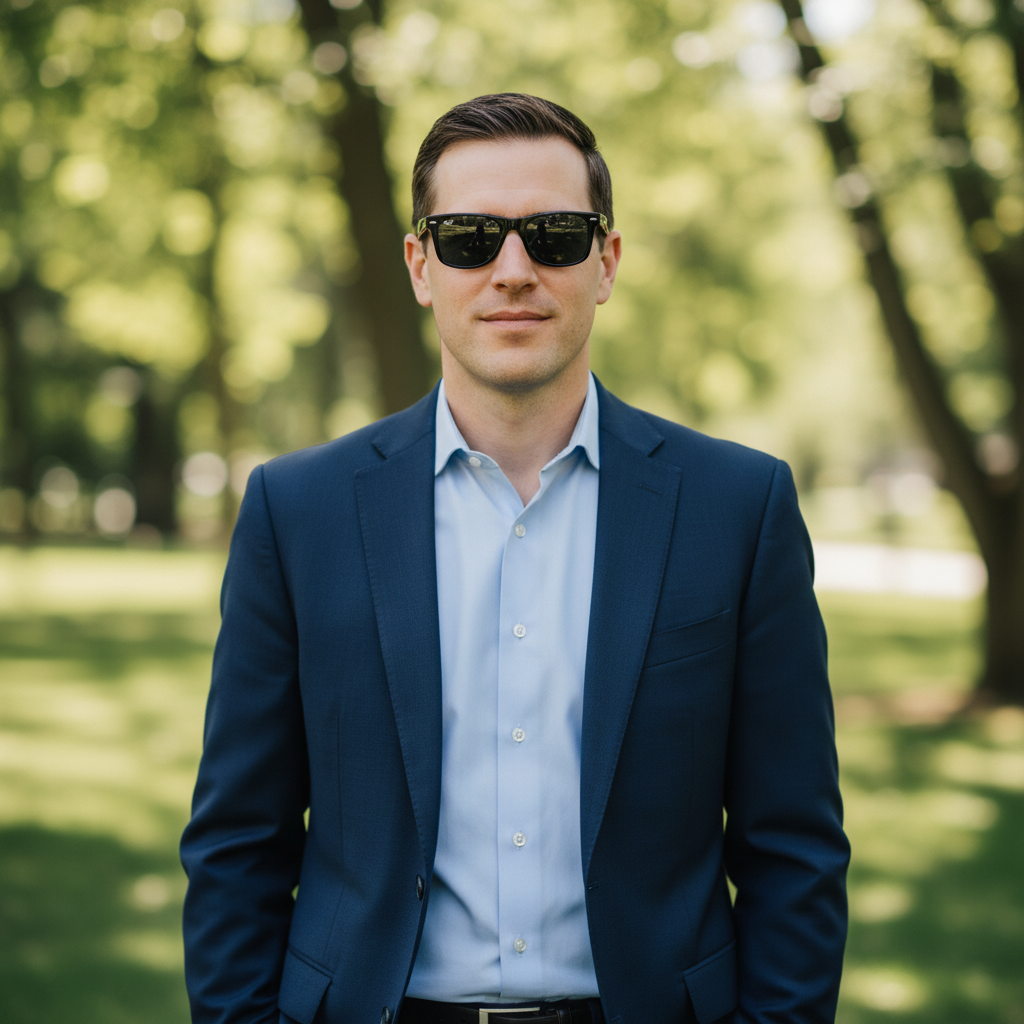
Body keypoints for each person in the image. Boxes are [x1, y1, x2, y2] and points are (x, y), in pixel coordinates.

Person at [181, 93, 849, 1024]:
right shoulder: (298, 512)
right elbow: (236, 846)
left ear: (607, 263)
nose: (512, 270)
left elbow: (795, 849)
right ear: (420, 265)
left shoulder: (740, 508)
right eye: (467, 238)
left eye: (556, 236)